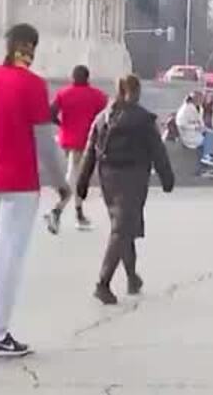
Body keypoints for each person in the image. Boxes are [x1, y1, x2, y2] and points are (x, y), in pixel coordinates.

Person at [0, 24, 68, 360]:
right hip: (20, 182)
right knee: (11, 258)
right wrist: (61, 182)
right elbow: (44, 143)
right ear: (30, 48)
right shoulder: (34, 86)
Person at [75, 75, 175, 304]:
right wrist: (167, 178)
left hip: (107, 178)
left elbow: (90, 152)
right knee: (122, 229)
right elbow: (158, 151)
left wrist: (81, 185)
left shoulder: (102, 119)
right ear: (137, 92)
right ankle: (103, 283)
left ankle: (132, 277)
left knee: (123, 226)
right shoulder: (144, 120)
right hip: (134, 178)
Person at [46, 66, 108, 234]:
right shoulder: (97, 96)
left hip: (67, 140)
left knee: (75, 176)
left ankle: (73, 213)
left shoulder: (63, 94)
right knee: (76, 178)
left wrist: (62, 125)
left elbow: (50, 114)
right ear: (88, 78)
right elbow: (106, 116)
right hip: (86, 141)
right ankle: (61, 211)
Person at [172, 92, 211, 175]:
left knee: (212, 136)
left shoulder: (199, 108)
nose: (202, 100)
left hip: (197, 133)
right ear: (195, 99)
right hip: (188, 134)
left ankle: (208, 165)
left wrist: (203, 128)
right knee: (208, 141)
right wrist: (194, 127)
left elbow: (200, 122)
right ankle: (204, 167)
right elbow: (181, 123)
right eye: (200, 98)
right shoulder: (185, 109)